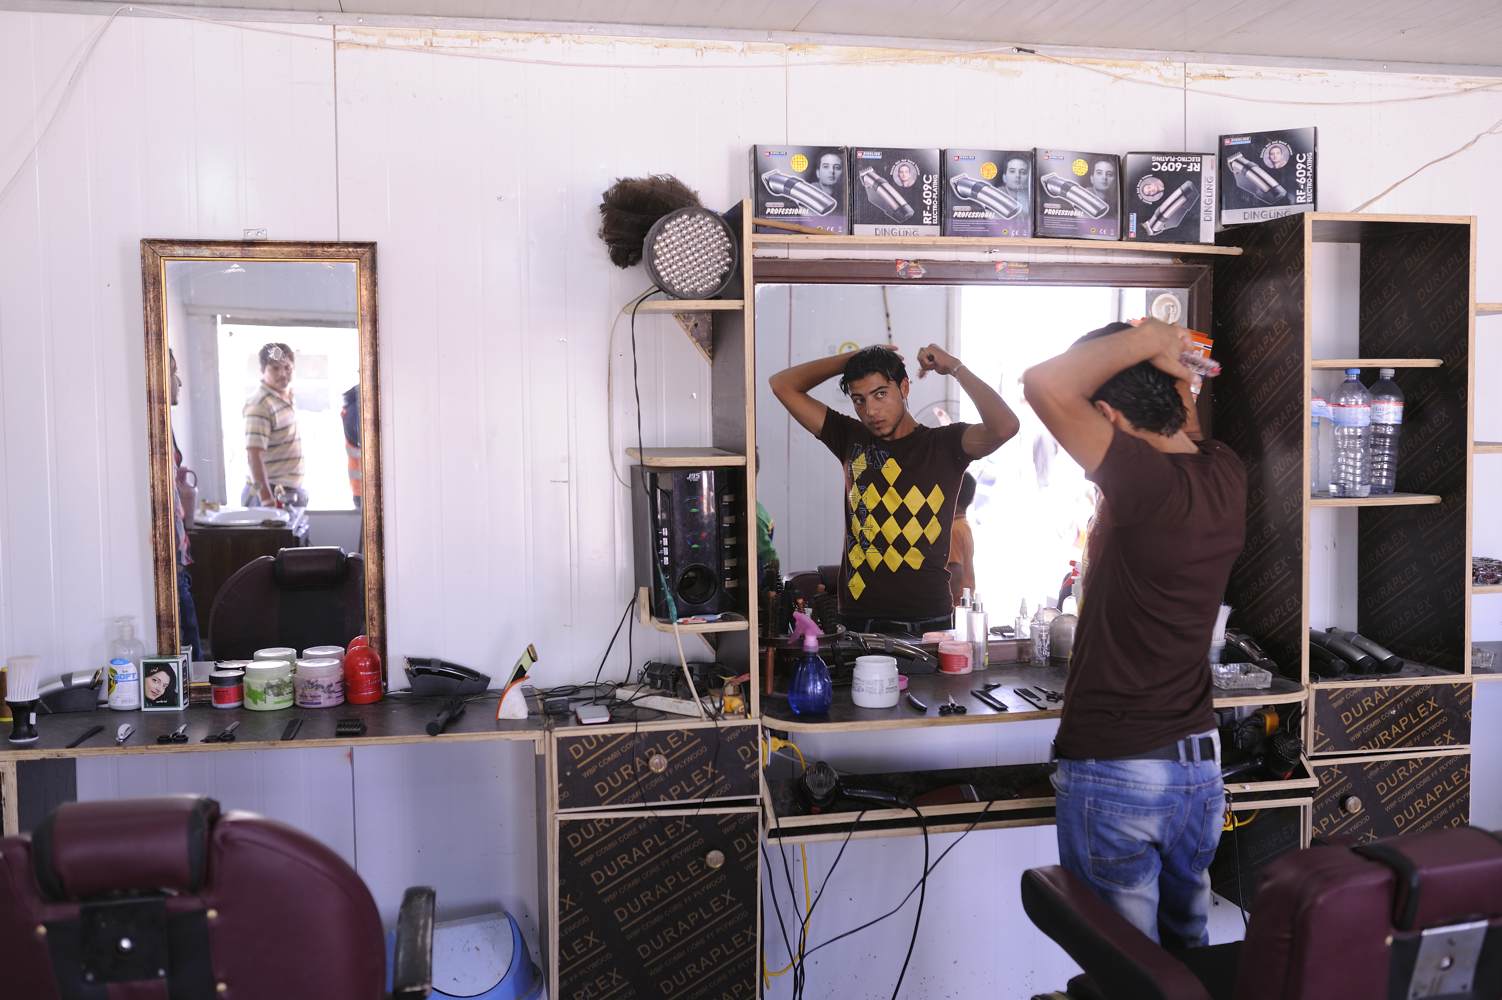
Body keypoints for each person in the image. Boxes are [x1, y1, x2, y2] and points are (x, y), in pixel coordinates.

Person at [1022, 319, 1246, 949]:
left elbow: (1041, 384)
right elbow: (1185, 425)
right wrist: (1170, 365)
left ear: (1107, 416)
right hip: (1197, 776)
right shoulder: (1225, 474)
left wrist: (1152, 344)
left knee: (1125, 975)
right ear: (1178, 399)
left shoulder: (1145, 486)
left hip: (1120, 771)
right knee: (1185, 966)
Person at [770, 344, 1019, 636]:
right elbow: (782, 385)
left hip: (926, 622)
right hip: (857, 620)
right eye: (859, 400)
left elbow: (1005, 427)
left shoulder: (944, 444)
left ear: (904, 387)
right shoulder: (850, 437)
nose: (871, 411)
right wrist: (851, 360)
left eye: (880, 394)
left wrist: (955, 367)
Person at [168, 350, 203, 661]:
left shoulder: (165, 426)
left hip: (179, 559)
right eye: (172, 372)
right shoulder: (154, 430)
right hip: (169, 565)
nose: (177, 381)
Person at [242, 342, 307, 508]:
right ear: (263, 370)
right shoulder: (260, 404)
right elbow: (253, 455)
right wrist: (266, 500)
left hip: (287, 491)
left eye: (287, 367)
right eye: (275, 368)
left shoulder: (284, 396)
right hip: (269, 493)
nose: (283, 374)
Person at [948, 472, 977, 605]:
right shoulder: (964, 525)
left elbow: (955, 571)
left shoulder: (954, 529)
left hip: (956, 606)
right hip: (965, 603)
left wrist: (947, 605)